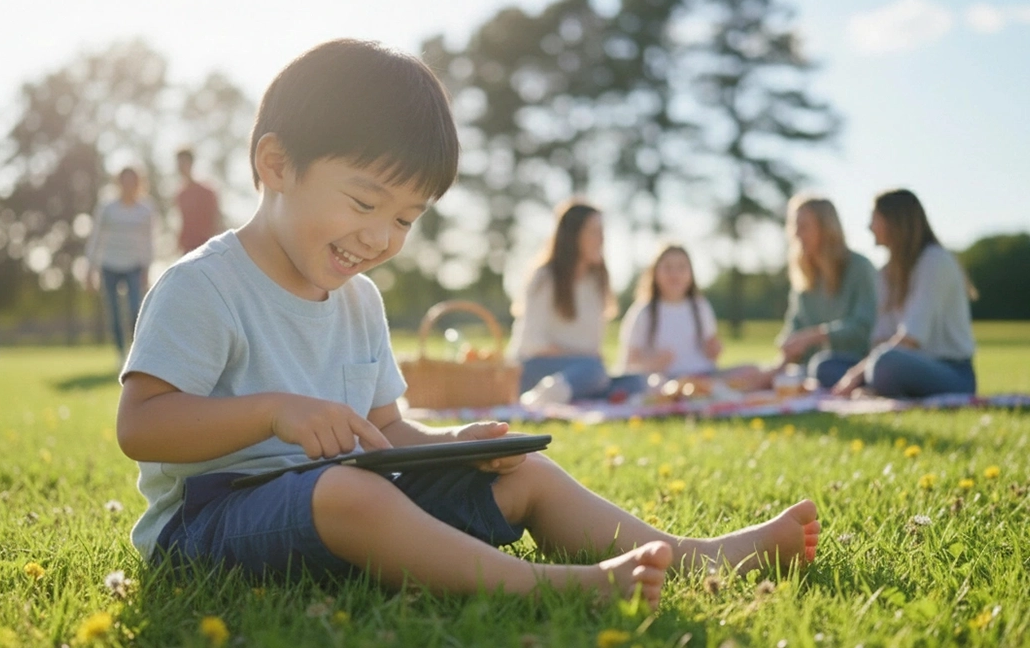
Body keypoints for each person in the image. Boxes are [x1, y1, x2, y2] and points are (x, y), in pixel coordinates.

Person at [116, 40, 821, 605]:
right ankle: (554, 590)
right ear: (276, 165)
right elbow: (141, 425)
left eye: (404, 218)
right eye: (364, 203)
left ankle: (698, 555)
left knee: (526, 472)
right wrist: (273, 413)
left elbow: (387, 430)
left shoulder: (359, 300)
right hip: (210, 521)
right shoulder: (203, 285)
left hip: (350, 497)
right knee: (351, 493)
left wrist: (454, 445)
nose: (382, 237)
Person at [833, 189, 976, 398]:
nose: (869, 226)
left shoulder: (935, 261)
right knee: (826, 365)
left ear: (894, 222)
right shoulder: (885, 272)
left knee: (885, 363)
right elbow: (880, 340)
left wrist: (855, 375)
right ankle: (876, 389)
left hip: (951, 373)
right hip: (897, 362)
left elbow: (911, 339)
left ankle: (874, 389)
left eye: (875, 219)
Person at [510, 201, 646, 407]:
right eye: (594, 232)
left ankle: (567, 395)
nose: (601, 239)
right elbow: (533, 344)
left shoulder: (596, 282)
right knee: (593, 371)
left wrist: (589, 360)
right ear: (573, 237)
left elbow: (592, 346)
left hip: (582, 371)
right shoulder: (545, 278)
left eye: (602, 232)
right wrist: (585, 359)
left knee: (637, 381)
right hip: (533, 368)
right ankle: (538, 400)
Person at [773, 195, 878, 389]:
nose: (796, 234)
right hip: (811, 366)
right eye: (794, 226)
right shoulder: (804, 275)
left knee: (823, 366)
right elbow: (795, 326)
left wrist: (815, 336)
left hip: (858, 363)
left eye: (804, 226)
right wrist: (785, 347)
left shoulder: (859, 267)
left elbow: (864, 328)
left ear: (826, 228)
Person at [616, 244, 721, 379]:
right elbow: (628, 363)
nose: (675, 274)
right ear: (654, 273)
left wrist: (714, 350)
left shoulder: (700, 307)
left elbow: (711, 351)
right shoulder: (644, 311)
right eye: (667, 267)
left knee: (751, 370)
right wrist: (653, 363)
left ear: (691, 273)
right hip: (662, 380)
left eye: (681, 267)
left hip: (702, 376)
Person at [86, 167, 155, 360]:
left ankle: (136, 354)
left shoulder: (146, 209)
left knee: (135, 310)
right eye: (124, 181)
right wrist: (89, 269)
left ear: (138, 184)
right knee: (114, 314)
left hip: (134, 266)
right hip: (109, 265)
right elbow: (96, 238)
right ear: (119, 183)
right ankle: (120, 354)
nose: (128, 186)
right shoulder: (107, 208)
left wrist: (147, 268)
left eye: (132, 182)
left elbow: (149, 241)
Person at [174, 148, 223, 255]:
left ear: (191, 163)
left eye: (184, 162)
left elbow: (216, 219)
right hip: (187, 249)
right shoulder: (180, 194)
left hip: (206, 247)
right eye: (179, 162)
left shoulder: (207, 191)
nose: (181, 166)